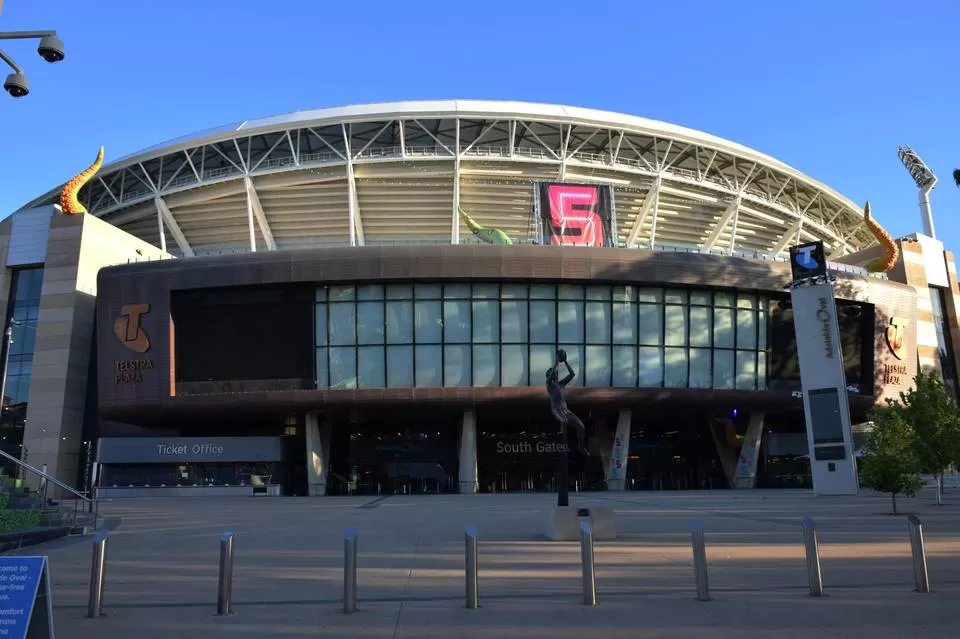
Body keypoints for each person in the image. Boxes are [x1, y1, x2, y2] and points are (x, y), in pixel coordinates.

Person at [546, 349, 589, 457]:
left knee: (581, 427)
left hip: (566, 410)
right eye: (551, 372)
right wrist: (556, 362)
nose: (554, 373)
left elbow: (572, 374)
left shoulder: (561, 384)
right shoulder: (549, 384)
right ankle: (563, 446)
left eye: (554, 372)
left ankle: (581, 446)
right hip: (556, 410)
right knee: (564, 422)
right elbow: (551, 376)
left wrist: (565, 361)